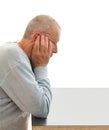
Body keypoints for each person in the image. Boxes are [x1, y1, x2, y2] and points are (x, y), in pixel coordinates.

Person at [0, 14, 61, 130]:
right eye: (54, 43)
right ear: (37, 37)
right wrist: (41, 66)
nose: (56, 50)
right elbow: (42, 108)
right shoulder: (14, 58)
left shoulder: (16, 54)